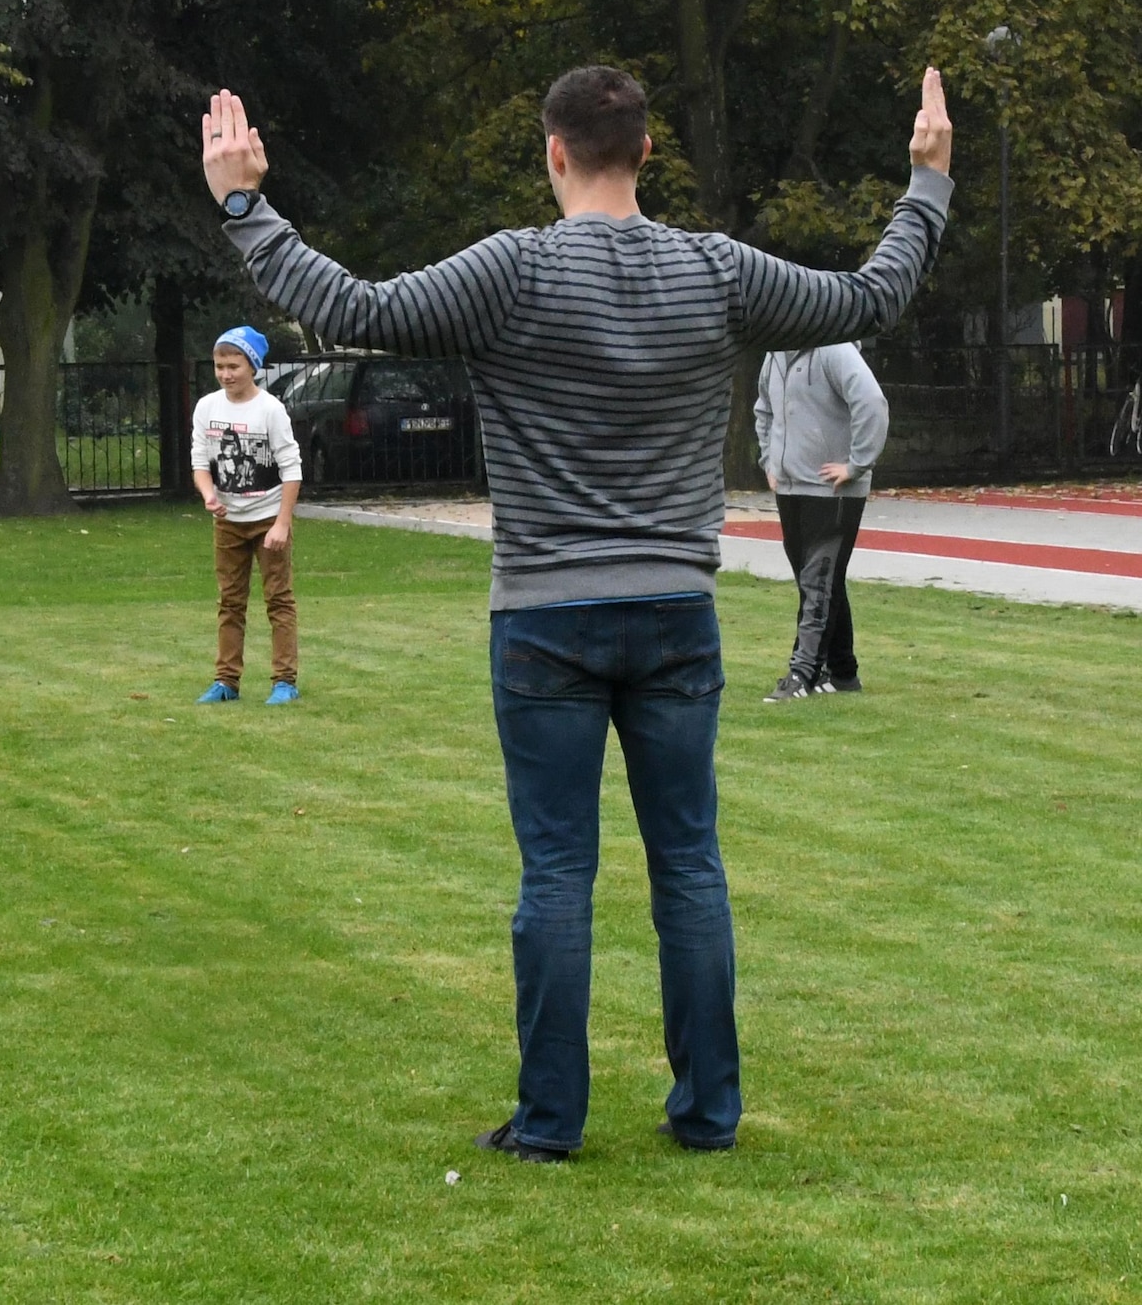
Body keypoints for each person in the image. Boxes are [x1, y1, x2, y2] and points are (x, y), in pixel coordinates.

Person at [201, 66, 953, 1159]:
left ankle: (549, 1120)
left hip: (544, 615)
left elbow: (349, 309)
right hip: (673, 611)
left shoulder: (509, 270)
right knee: (686, 865)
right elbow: (867, 296)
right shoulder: (714, 270)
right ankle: (706, 1112)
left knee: (556, 871)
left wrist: (244, 205)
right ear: (644, 153)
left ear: (553, 153)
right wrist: (924, 180)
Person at [754, 343, 889, 700]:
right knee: (818, 582)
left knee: (818, 581)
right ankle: (842, 671)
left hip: (832, 490)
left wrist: (856, 465)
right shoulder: (774, 354)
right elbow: (764, 408)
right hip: (791, 485)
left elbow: (872, 403)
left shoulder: (836, 350)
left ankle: (802, 673)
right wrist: (770, 459)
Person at [190, 325, 303, 705]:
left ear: (252, 366)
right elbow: (199, 462)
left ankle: (284, 681)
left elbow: (291, 469)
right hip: (228, 522)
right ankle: (226, 682)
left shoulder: (271, 410)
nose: (225, 374)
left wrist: (282, 523)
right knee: (230, 601)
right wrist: (209, 496)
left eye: (233, 365)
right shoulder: (207, 407)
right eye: (219, 366)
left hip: (269, 517)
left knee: (278, 600)